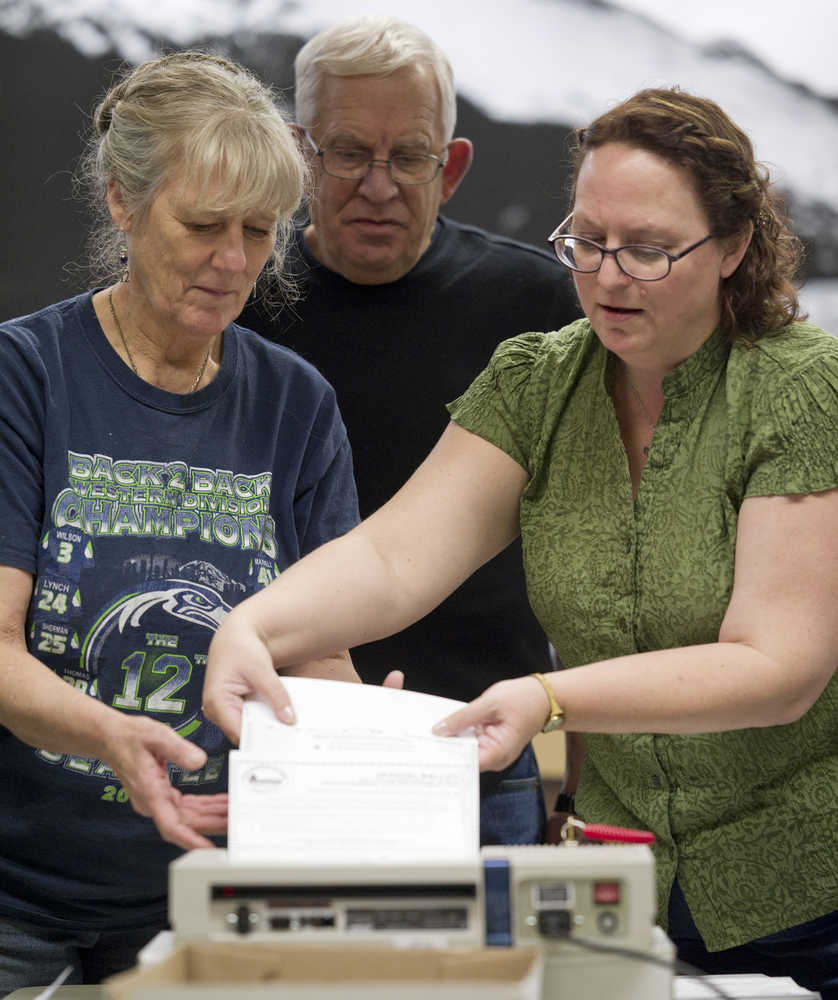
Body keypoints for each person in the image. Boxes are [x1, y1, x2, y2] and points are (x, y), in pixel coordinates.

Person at [204, 86, 838, 996]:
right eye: (586, 242)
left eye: (650, 251)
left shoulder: (799, 389)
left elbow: (779, 666)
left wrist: (546, 697)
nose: (610, 276)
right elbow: (391, 559)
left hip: (808, 896)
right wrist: (253, 628)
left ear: (734, 247)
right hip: (628, 891)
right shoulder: (538, 382)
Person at [0, 52, 362, 991]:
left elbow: (319, 649)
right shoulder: (26, 376)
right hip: (21, 893)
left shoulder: (296, 404)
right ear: (123, 201)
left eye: (258, 229)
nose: (233, 261)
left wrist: (362, 728)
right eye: (202, 225)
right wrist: (109, 734)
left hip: (218, 890)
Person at [238, 16, 580, 845]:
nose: (379, 185)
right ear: (298, 154)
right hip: (270, 740)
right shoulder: (234, 297)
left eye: (409, 157)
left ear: (451, 167)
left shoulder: (537, 311)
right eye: (348, 152)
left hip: (482, 745)